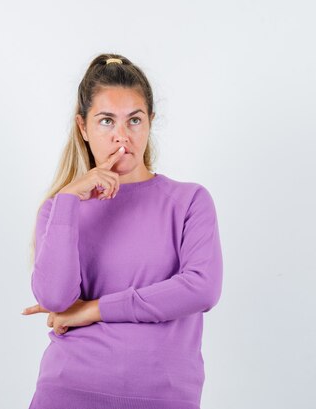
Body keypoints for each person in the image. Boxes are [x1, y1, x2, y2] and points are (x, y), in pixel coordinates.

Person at [21, 53, 223, 409]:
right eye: (106, 121)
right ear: (82, 127)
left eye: (134, 120)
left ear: (150, 123)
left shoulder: (189, 200)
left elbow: (201, 288)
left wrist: (94, 309)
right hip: (67, 393)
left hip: (163, 397)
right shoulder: (60, 209)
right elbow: (55, 299)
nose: (121, 136)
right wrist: (69, 198)